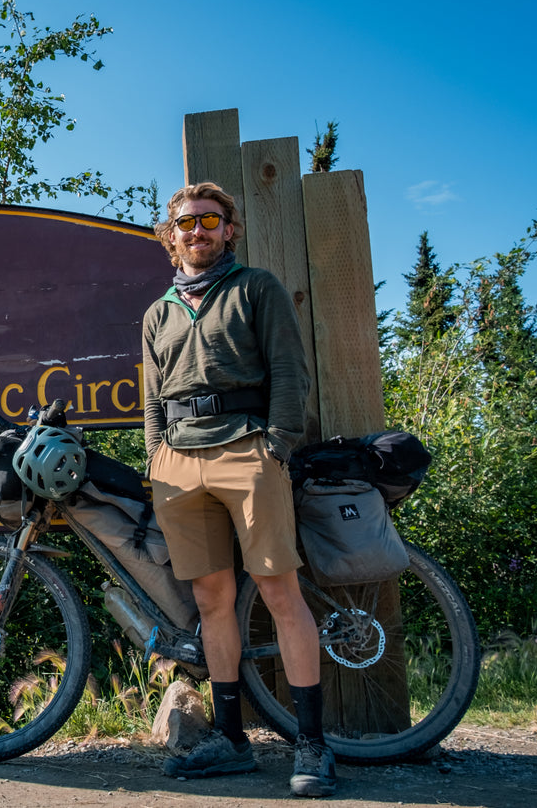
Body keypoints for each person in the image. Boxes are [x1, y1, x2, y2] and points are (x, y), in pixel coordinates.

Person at [141, 181, 336, 798]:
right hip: (178, 463)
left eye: (208, 221)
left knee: (280, 592)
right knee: (212, 600)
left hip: (247, 450)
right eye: (185, 224)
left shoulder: (256, 289)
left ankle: (312, 745)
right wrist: (155, 454)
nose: (196, 231)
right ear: (170, 239)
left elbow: (289, 371)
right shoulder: (158, 312)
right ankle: (230, 740)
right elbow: (152, 396)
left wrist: (275, 445)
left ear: (229, 229)